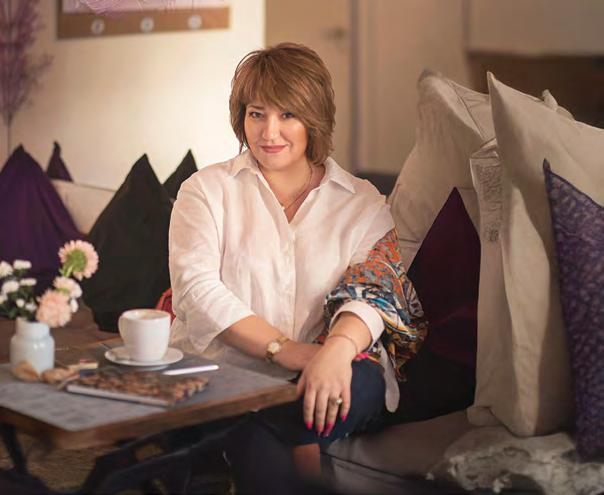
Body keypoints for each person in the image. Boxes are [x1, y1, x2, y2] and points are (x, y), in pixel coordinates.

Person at [168, 42, 427, 492]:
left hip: (338, 369)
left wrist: (334, 352)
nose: (269, 131)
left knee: (357, 380)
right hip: (228, 373)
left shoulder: (361, 202)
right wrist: (286, 351)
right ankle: (295, 438)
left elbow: (374, 291)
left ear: (314, 118)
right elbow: (197, 290)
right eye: (256, 114)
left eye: (287, 114)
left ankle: (258, 428)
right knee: (253, 428)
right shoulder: (205, 191)